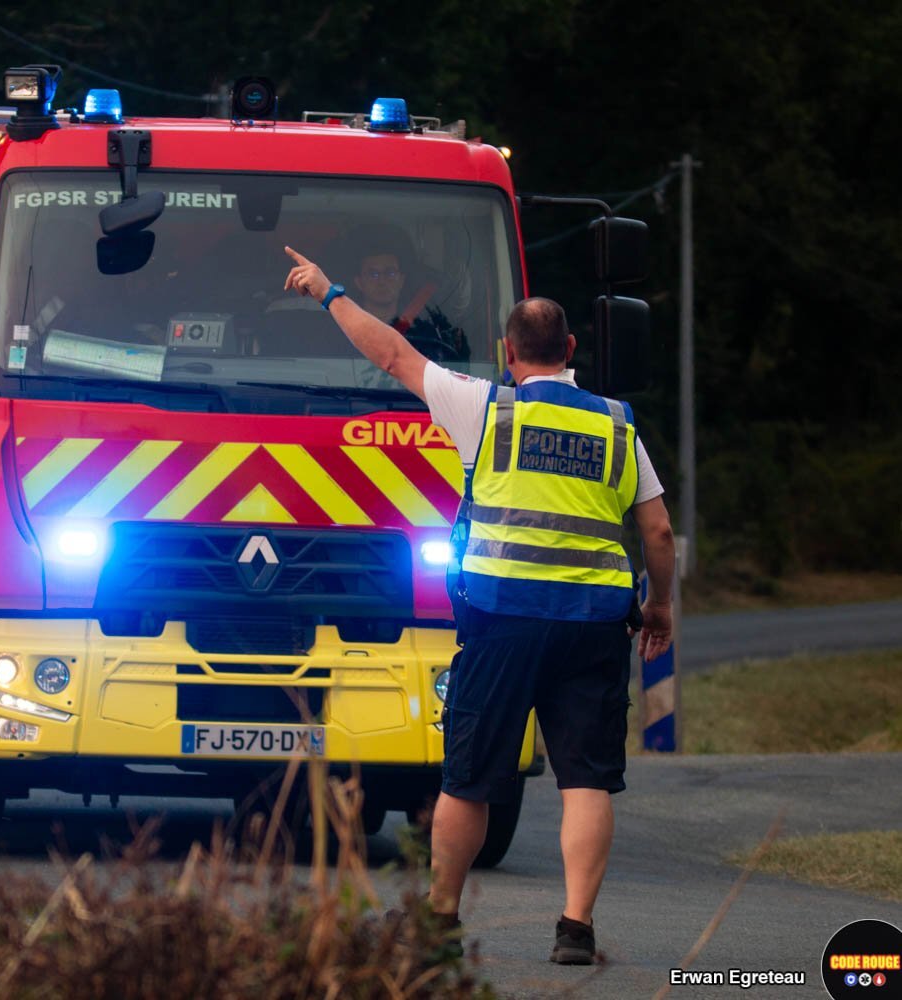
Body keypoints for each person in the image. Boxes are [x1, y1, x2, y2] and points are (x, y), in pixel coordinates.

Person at [282, 245, 676, 965]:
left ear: (510, 352)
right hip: (592, 627)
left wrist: (328, 290)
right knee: (585, 780)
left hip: (501, 622)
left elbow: (394, 355)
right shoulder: (618, 426)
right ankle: (575, 927)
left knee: (469, 779)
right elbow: (656, 530)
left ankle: (440, 919)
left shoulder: (485, 408)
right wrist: (660, 610)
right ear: (572, 351)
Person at [348, 232, 468, 361]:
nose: (382, 281)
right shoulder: (344, 330)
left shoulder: (425, 335)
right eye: (373, 274)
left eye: (390, 273)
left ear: (401, 281)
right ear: (359, 283)